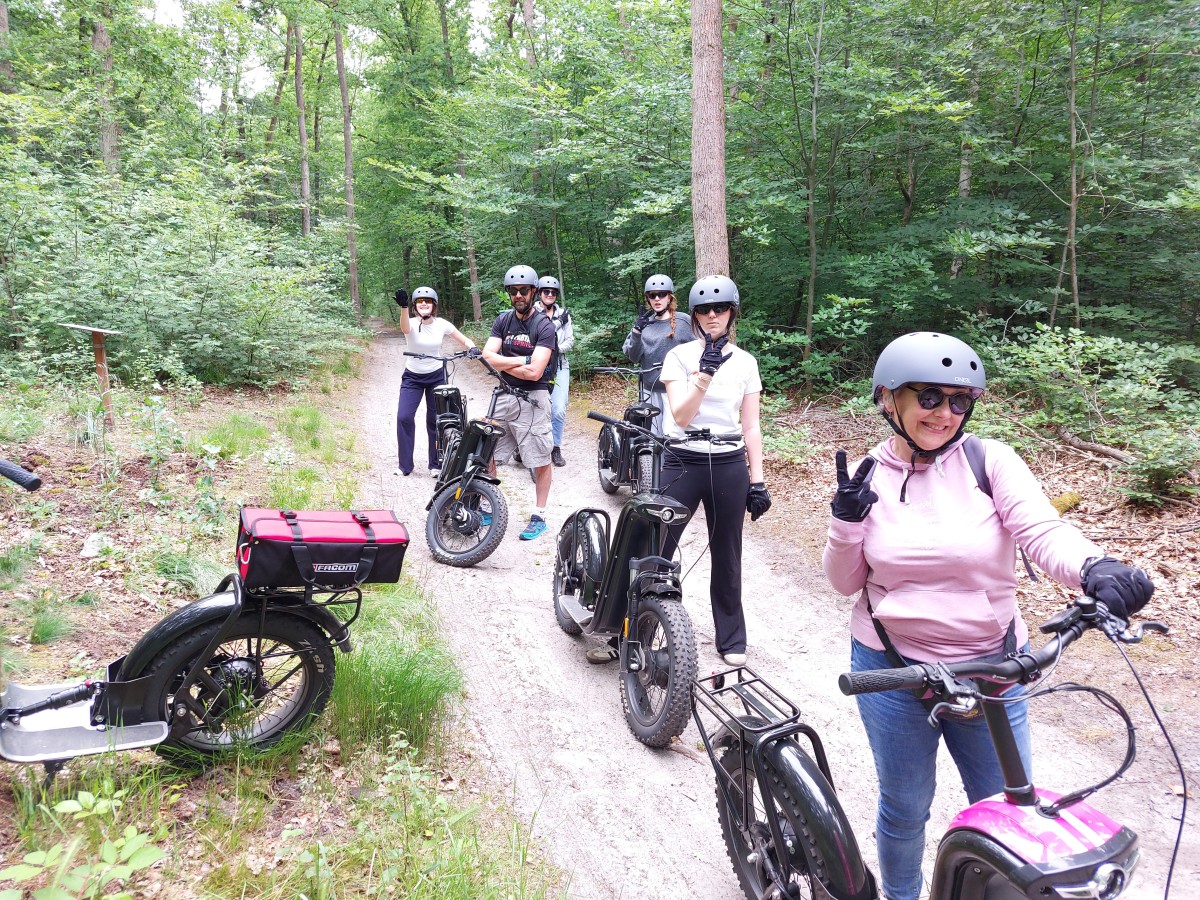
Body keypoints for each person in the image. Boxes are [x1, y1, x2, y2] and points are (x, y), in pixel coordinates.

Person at [822, 331, 1155, 900]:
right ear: (887, 398)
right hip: (893, 668)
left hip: (992, 667)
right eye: (929, 396)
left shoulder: (988, 461)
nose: (945, 413)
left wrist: (1093, 567)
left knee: (1011, 811)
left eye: (959, 400)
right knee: (905, 806)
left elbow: (1043, 530)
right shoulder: (867, 478)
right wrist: (845, 524)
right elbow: (844, 583)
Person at [590, 274, 770, 665]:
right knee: (657, 550)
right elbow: (682, 416)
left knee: (728, 554)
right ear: (694, 314)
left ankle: (732, 638)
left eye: (719, 309)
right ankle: (632, 632)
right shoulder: (679, 358)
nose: (711, 316)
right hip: (682, 458)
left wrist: (758, 480)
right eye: (703, 310)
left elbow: (752, 426)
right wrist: (703, 375)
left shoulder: (745, 363)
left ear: (732, 313)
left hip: (728, 462)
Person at [482, 265, 557, 541]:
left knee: (539, 458)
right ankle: (489, 506)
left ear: (533, 292)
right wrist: (522, 361)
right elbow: (486, 356)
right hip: (504, 395)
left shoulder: (544, 327)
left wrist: (503, 362)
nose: (518, 296)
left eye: (523, 291)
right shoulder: (503, 321)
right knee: (486, 449)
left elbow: (536, 373)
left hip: (534, 398)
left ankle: (539, 516)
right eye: (513, 292)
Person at [395, 287, 476, 477]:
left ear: (434, 305)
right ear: (415, 306)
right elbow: (405, 328)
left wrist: (472, 347)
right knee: (403, 417)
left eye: (428, 301)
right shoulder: (411, 323)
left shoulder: (441, 324)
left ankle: (435, 464)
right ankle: (405, 465)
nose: (424, 304)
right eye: (420, 301)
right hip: (412, 376)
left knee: (436, 420)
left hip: (436, 375)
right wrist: (404, 307)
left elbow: (463, 339)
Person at [622, 274, 694, 433]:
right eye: (652, 295)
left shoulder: (684, 322)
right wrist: (636, 331)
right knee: (653, 438)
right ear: (648, 299)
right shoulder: (644, 323)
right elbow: (633, 356)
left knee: (673, 436)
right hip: (649, 391)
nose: (657, 298)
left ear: (669, 297)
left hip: (677, 391)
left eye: (661, 294)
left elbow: (699, 350)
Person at [536, 275, 574, 467]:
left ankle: (555, 447)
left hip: (560, 366)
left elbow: (570, 340)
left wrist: (556, 349)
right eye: (546, 291)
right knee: (534, 407)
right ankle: (526, 446)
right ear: (539, 293)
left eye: (553, 292)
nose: (550, 295)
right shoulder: (531, 313)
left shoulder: (564, 314)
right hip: (537, 365)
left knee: (558, 409)